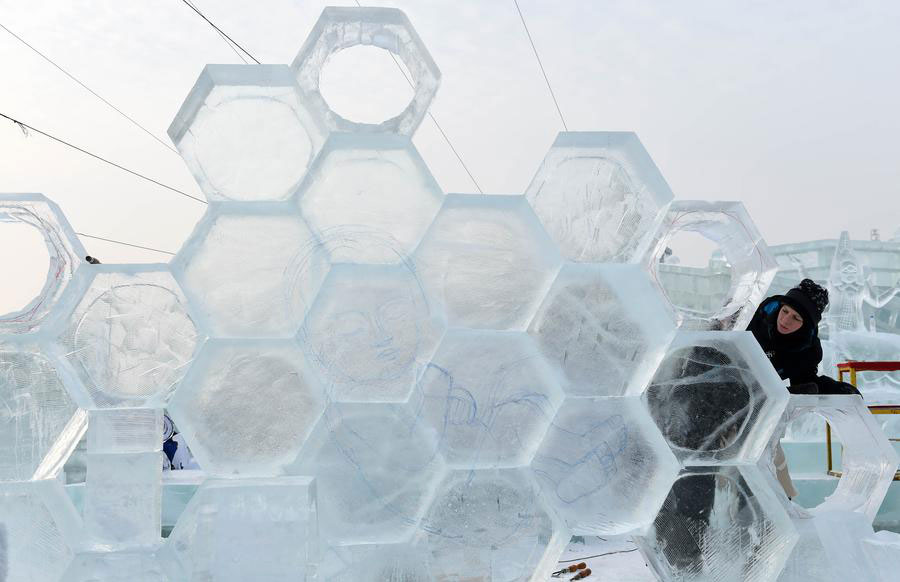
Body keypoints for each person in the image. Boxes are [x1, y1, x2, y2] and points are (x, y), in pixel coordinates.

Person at [746, 278, 860, 396]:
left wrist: (837, 390)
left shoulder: (806, 350)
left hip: (756, 397)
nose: (785, 320)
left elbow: (805, 381)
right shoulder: (755, 316)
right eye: (785, 311)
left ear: (805, 326)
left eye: (796, 318)